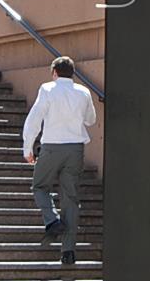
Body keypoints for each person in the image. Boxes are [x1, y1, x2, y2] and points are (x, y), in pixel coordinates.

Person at [22, 56, 96, 267]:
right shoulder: (83, 92)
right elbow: (91, 120)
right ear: (72, 73)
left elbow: (35, 119)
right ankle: (68, 251)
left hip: (52, 146)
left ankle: (52, 220)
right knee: (71, 198)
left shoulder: (47, 89)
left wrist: (28, 147)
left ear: (54, 72)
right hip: (75, 148)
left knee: (39, 185)